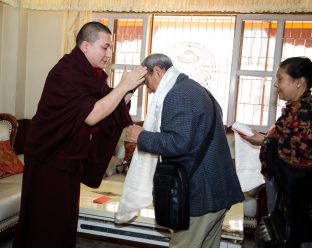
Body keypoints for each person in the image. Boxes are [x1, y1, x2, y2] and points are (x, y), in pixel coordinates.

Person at [12, 22, 147, 248]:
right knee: (47, 221)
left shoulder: (92, 74)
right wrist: (123, 86)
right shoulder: (65, 73)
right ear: (85, 45)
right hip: (49, 159)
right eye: (105, 48)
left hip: (70, 158)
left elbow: (109, 105)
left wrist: (129, 89)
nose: (109, 54)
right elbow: (93, 115)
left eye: (110, 48)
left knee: (64, 220)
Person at [126, 53, 244, 248]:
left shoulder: (177, 94)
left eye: (147, 83)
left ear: (157, 71)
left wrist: (142, 137)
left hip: (202, 194)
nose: (149, 91)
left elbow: (178, 143)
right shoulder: (196, 89)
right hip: (217, 191)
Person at [239, 57, 312, 247]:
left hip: (297, 201)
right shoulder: (293, 110)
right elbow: (283, 143)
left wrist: (265, 141)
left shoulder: (304, 114)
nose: (275, 85)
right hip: (285, 196)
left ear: (299, 82)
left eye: (280, 79)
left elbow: (295, 162)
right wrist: (265, 139)